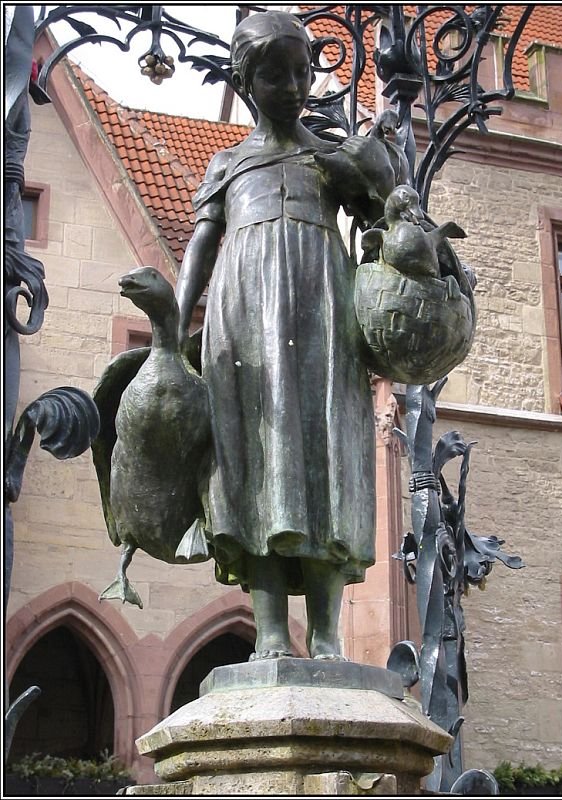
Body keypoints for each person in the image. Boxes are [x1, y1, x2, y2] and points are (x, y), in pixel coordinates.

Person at [176, 11, 392, 661]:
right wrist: (171, 325)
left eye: (302, 72)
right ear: (245, 82)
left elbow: (384, 221)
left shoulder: (328, 158)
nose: (295, 86)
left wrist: (379, 188)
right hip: (243, 324)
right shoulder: (227, 164)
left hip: (322, 312)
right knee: (254, 463)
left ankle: (326, 633)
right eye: (276, 75)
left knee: (324, 454)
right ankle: (269, 630)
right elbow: (200, 247)